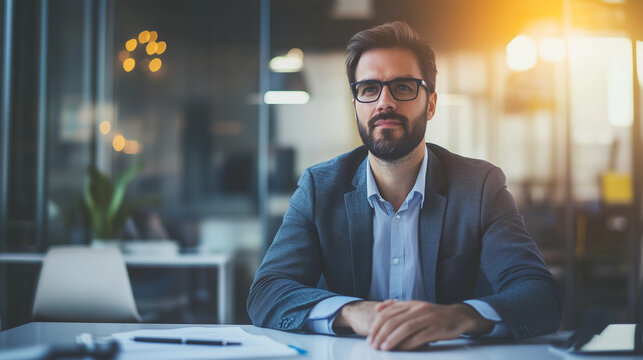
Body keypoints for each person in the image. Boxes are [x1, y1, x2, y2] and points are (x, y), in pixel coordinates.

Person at [247, 21, 560, 351]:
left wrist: (458, 317)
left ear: (431, 104)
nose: (384, 102)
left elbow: (540, 296)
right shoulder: (319, 188)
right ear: (356, 105)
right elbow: (267, 291)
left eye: (403, 87)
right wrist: (351, 311)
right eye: (369, 89)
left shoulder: (479, 188)